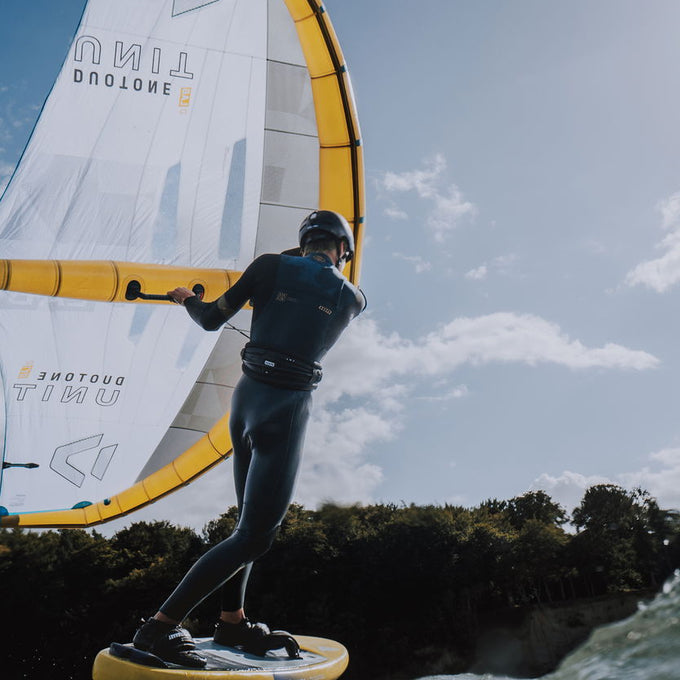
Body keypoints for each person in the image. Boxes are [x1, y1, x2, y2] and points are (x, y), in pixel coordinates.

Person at [132, 210, 366, 668]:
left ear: (303, 241)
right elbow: (321, 281)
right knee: (256, 537)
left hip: (246, 401)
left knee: (247, 527)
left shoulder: (268, 266)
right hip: (285, 409)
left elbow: (210, 319)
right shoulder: (352, 298)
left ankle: (232, 621)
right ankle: (158, 629)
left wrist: (186, 298)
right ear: (343, 248)